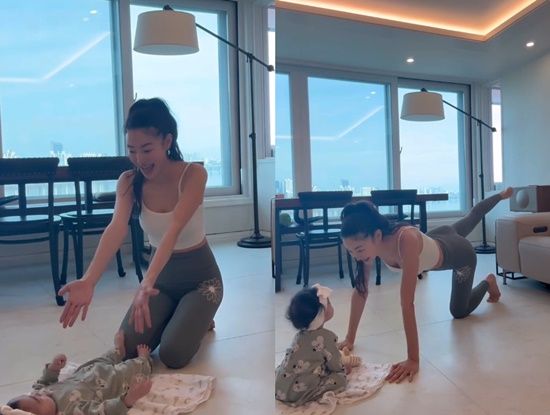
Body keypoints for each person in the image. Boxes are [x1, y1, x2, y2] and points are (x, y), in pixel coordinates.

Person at [58, 98, 223, 369]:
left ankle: (199, 318)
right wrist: (89, 280)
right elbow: (115, 228)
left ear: (167, 141)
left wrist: (146, 282)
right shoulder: (128, 181)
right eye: (132, 151)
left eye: (146, 149)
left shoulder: (194, 174)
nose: (139, 159)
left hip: (201, 281)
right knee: (127, 349)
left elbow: (173, 229)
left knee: (173, 354)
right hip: (162, 281)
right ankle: (179, 315)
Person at [339, 188, 513, 384]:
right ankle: (501, 195)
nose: (357, 256)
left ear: (377, 235)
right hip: (442, 235)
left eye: (359, 250)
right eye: (351, 252)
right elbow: (361, 291)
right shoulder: (367, 249)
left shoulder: (406, 240)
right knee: (471, 217)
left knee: (459, 311)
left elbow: (407, 303)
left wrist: (413, 359)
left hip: (460, 254)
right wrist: (349, 339)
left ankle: (488, 282)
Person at [3, 339, 153, 415]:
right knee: (125, 372)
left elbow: (42, 383)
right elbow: (102, 412)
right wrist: (127, 400)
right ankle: (143, 360)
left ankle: (118, 352)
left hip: (85, 373)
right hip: (107, 384)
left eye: (32, 395)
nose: (38, 394)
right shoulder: (71, 411)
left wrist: (53, 368)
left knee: (98, 361)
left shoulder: (41, 393)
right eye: (38, 400)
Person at [276, 284, 347, 406]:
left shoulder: (299, 336)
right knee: (340, 379)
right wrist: (344, 368)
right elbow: (336, 366)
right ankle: (306, 393)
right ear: (322, 314)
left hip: (280, 387)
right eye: (329, 303)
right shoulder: (326, 338)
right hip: (297, 392)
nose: (331, 305)